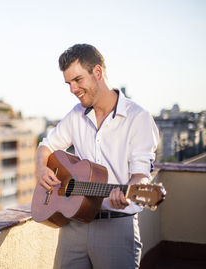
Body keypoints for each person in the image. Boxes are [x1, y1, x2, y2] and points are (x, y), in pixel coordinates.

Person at [36, 44, 159, 269]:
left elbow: (141, 176)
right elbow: (46, 146)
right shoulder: (75, 115)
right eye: (68, 83)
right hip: (74, 224)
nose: (73, 89)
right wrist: (41, 169)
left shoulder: (138, 118)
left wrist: (130, 193)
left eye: (78, 80)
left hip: (116, 227)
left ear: (98, 73)